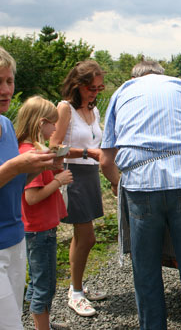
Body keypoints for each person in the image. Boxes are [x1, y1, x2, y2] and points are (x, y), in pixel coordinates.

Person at [100, 60, 181, 330]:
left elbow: (106, 161)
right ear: (162, 75)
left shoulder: (123, 91)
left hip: (141, 184)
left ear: (134, 77)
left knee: (146, 273)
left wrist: (119, 185)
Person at [0, 46, 59, 330]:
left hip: (15, 236)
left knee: (13, 312)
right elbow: (15, 177)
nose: (5, 89)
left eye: (9, 81)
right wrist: (17, 166)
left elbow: (15, 185)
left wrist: (38, 167)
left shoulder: (6, 126)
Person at [49, 60, 107, 317]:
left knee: (82, 237)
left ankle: (78, 286)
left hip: (90, 174)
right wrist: (86, 151)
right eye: (90, 88)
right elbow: (54, 147)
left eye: (98, 88)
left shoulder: (92, 111)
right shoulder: (65, 109)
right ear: (77, 85)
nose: (94, 92)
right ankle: (75, 293)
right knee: (87, 237)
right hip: (73, 175)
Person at [16, 96, 73, 330]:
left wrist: (52, 169)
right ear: (41, 123)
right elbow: (32, 196)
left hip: (39, 229)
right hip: (39, 231)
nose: (55, 129)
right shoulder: (32, 154)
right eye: (53, 124)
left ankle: (43, 323)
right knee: (44, 285)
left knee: (39, 281)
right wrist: (59, 180)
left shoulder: (32, 149)